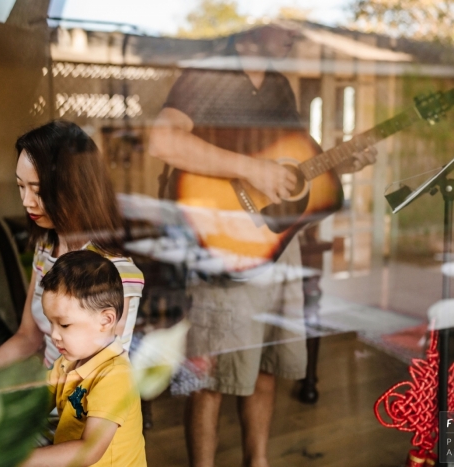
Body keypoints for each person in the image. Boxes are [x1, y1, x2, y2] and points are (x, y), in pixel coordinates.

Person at [149, 26, 376, 467]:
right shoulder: (208, 73)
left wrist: (340, 164)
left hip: (276, 241)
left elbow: (290, 166)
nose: (293, 30)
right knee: (211, 376)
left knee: (270, 364)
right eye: (282, 21)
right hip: (222, 240)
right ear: (248, 30)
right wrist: (250, 169)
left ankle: (258, 462)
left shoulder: (278, 86)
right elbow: (163, 140)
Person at [0, 121, 145, 435]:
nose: (26, 202)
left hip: (72, 421)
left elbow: (89, 383)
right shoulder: (47, 246)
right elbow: (28, 337)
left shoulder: (114, 274)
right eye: (21, 186)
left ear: (76, 188)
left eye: (38, 190)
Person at [21, 250, 146, 467]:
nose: (54, 334)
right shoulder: (67, 362)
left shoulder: (116, 376)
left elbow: (88, 450)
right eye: (51, 323)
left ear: (106, 321)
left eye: (64, 324)